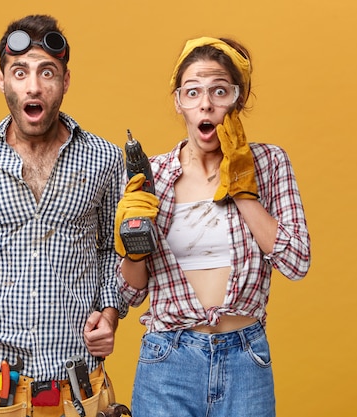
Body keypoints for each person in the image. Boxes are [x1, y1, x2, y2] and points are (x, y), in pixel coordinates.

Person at [0, 14, 127, 417]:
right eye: (20, 72)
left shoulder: (103, 158)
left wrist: (111, 312)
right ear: (2, 79)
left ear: (65, 81)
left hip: (79, 388)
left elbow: (111, 249)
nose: (33, 86)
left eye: (47, 72)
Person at [114, 37, 311, 417]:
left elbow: (297, 261)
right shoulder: (150, 174)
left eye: (219, 91)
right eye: (193, 92)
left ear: (237, 99)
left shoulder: (269, 164)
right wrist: (132, 243)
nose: (205, 103)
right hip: (167, 359)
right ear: (179, 101)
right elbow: (129, 291)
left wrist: (242, 190)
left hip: (245, 358)